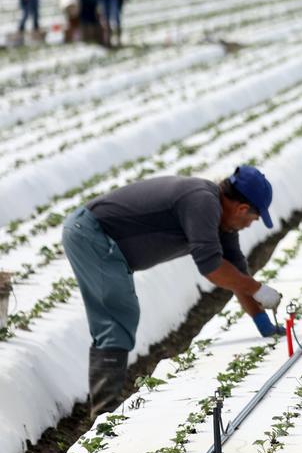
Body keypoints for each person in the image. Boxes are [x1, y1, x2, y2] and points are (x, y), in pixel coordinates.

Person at [61, 167, 287, 418]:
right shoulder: (203, 202)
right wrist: (258, 289)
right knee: (118, 313)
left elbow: (237, 275)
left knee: (120, 312)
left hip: (98, 237)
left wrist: (264, 324)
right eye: (254, 219)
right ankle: (104, 412)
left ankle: (104, 408)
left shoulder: (223, 222)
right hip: (91, 234)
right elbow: (212, 269)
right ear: (242, 209)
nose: (249, 225)